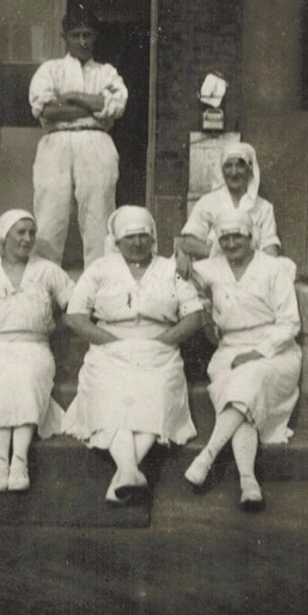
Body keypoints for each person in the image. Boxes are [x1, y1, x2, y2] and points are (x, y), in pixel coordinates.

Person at [63, 206, 204, 504]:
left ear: (153, 238)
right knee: (109, 394)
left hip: (159, 348)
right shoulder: (100, 270)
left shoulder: (169, 268)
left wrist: (164, 340)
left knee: (155, 394)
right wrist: (110, 341)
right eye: (130, 237)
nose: (138, 243)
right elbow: (75, 316)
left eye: (144, 236)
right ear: (117, 241)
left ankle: (125, 473)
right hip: (109, 346)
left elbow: (194, 316)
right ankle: (129, 470)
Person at [0, 210, 75, 493]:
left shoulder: (48, 270)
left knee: (27, 376)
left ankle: (18, 462)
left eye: (32, 233)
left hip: (34, 346)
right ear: (4, 237)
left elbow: (75, 304)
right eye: (21, 233)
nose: (28, 239)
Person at [185, 209, 301, 511]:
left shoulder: (274, 269)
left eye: (237, 235)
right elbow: (180, 271)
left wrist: (256, 353)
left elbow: (290, 323)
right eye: (224, 237)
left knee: (246, 380)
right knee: (241, 400)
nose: (231, 242)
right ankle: (249, 481)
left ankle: (207, 455)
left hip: (275, 353)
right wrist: (182, 265)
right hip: (229, 350)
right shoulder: (212, 268)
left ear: (251, 237)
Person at [29, 3, 129, 268]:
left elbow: (116, 106)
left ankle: (99, 288)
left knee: (98, 215)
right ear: (65, 37)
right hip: (56, 143)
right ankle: (44, 286)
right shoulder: (50, 70)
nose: (82, 41)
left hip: (96, 143)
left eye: (87, 34)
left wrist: (71, 96)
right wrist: (94, 105)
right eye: (76, 35)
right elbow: (46, 110)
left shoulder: (106, 72)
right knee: (50, 215)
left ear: (95, 37)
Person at [176, 141, 280, 279]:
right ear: (221, 170)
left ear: (250, 168)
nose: (234, 172)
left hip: (250, 276)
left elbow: (270, 251)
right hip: (213, 274)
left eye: (240, 165)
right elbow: (188, 242)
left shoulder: (264, 208)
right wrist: (227, 254)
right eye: (228, 166)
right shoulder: (208, 202)